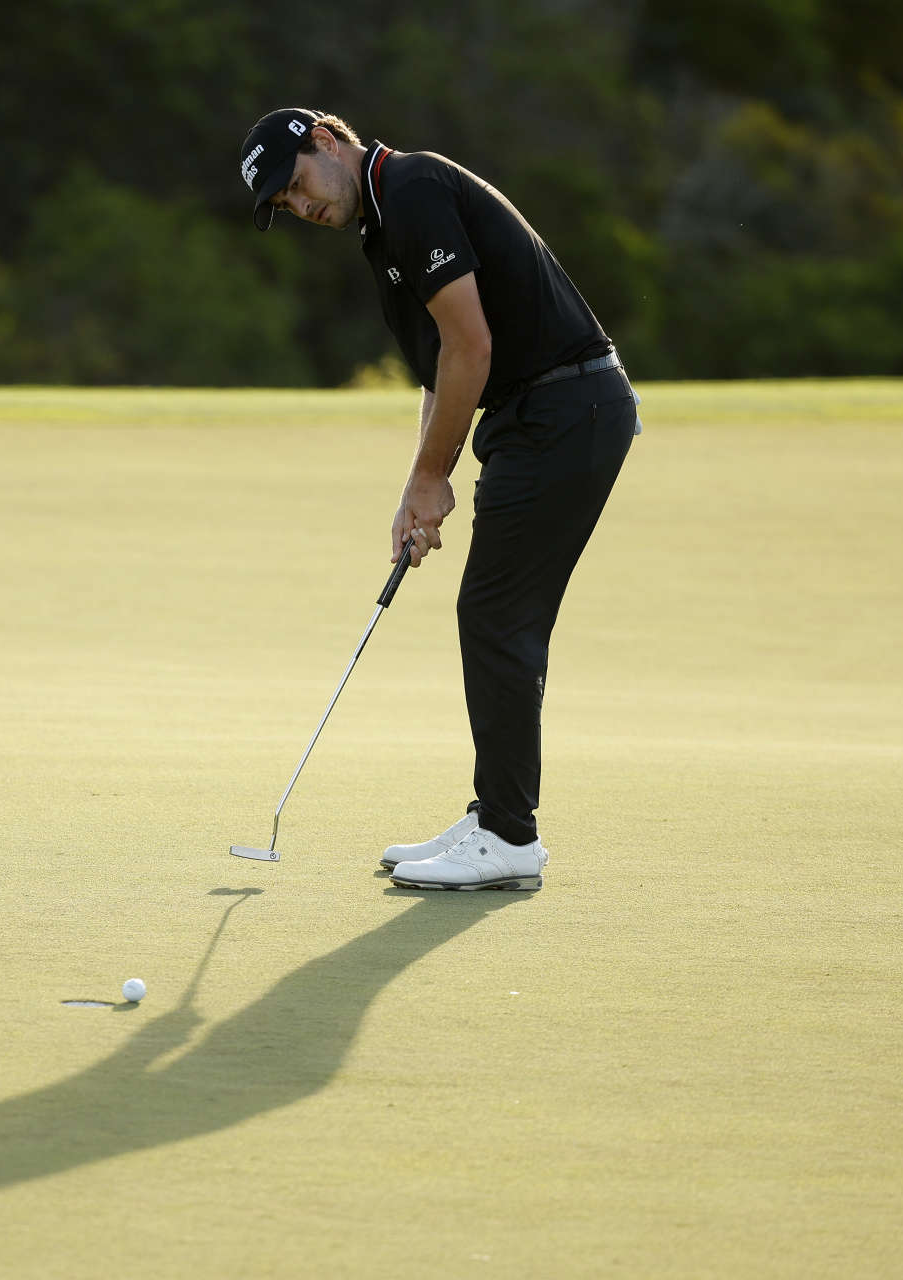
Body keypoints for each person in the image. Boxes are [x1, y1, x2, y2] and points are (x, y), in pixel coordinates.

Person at [237, 107, 640, 892]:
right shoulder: (381, 230)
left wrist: (433, 476)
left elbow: (473, 345)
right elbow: (438, 368)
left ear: (325, 141)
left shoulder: (413, 185)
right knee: (495, 613)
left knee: (497, 614)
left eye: (295, 186)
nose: (302, 207)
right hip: (543, 419)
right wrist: (418, 488)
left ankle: (508, 836)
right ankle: (496, 816)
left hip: (567, 408)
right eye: (285, 207)